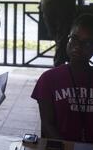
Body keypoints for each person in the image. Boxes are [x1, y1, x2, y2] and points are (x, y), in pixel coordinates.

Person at [31, 14, 93, 143]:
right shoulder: (49, 79)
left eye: (86, 42)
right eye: (74, 39)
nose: (78, 46)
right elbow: (47, 125)